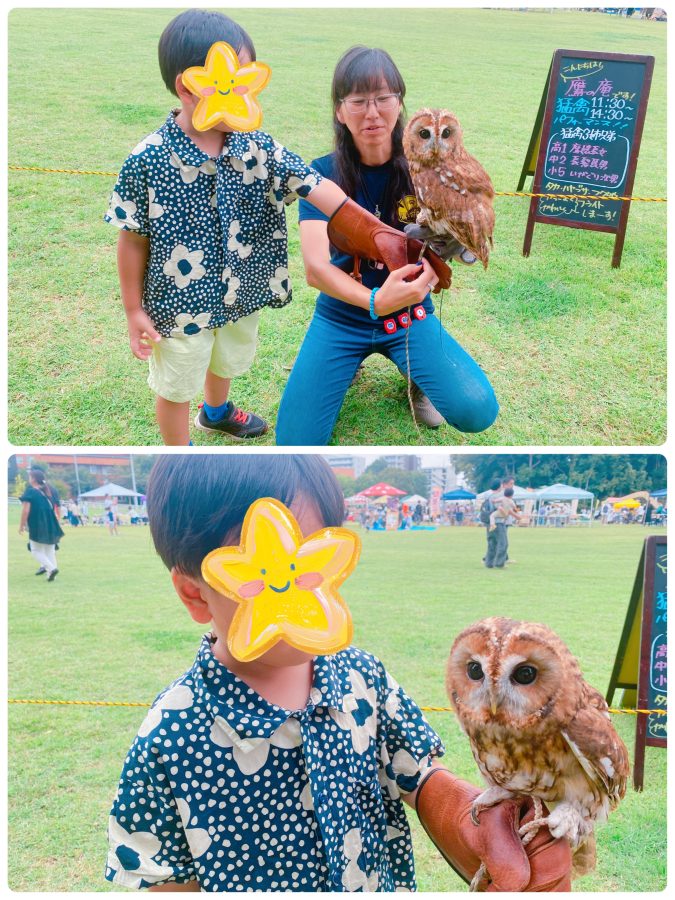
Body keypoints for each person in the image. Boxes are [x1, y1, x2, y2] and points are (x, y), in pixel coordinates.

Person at [105, 455, 570, 891]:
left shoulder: (365, 679)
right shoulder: (170, 733)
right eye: (262, 577)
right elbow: (160, 876)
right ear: (195, 594)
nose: (296, 589)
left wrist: (472, 824)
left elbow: (419, 775)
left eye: (312, 563)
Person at [105, 9, 357, 445]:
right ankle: (180, 457)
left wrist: (371, 228)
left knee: (228, 358)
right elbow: (132, 239)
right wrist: (132, 310)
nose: (246, 94)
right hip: (179, 305)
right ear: (190, 87)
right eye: (234, 83)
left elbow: (314, 185)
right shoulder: (147, 158)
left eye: (248, 82)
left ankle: (217, 412)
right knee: (178, 382)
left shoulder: (257, 146)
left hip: (243, 290)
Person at [275, 46, 498, 445]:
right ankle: (343, 366)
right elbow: (315, 268)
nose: (372, 112)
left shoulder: (427, 168)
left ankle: (417, 377)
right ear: (340, 111)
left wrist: (430, 272)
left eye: (383, 99)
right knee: (295, 440)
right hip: (341, 319)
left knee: (476, 409)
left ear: (400, 104)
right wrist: (376, 302)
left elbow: (444, 242)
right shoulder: (321, 174)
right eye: (358, 101)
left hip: (410, 317)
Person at [18, 467, 64, 581]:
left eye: (30, 476)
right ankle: (51, 574)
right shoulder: (46, 492)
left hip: (38, 523)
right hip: (51, 523)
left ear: (33, 479)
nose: (29, 478)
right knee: (49, 550)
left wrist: (22, 525)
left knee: (35, 550)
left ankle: (51, 569)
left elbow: (25, 510)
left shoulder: (31, 491)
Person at [481, 479, 502, 568]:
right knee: (501, 542)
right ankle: (499, 562)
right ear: (499, 486)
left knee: (491, 542)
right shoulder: (496, 496)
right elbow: (499, 508)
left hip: (488, 521)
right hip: (496, 521)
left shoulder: (487, 495)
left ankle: (489, 562)